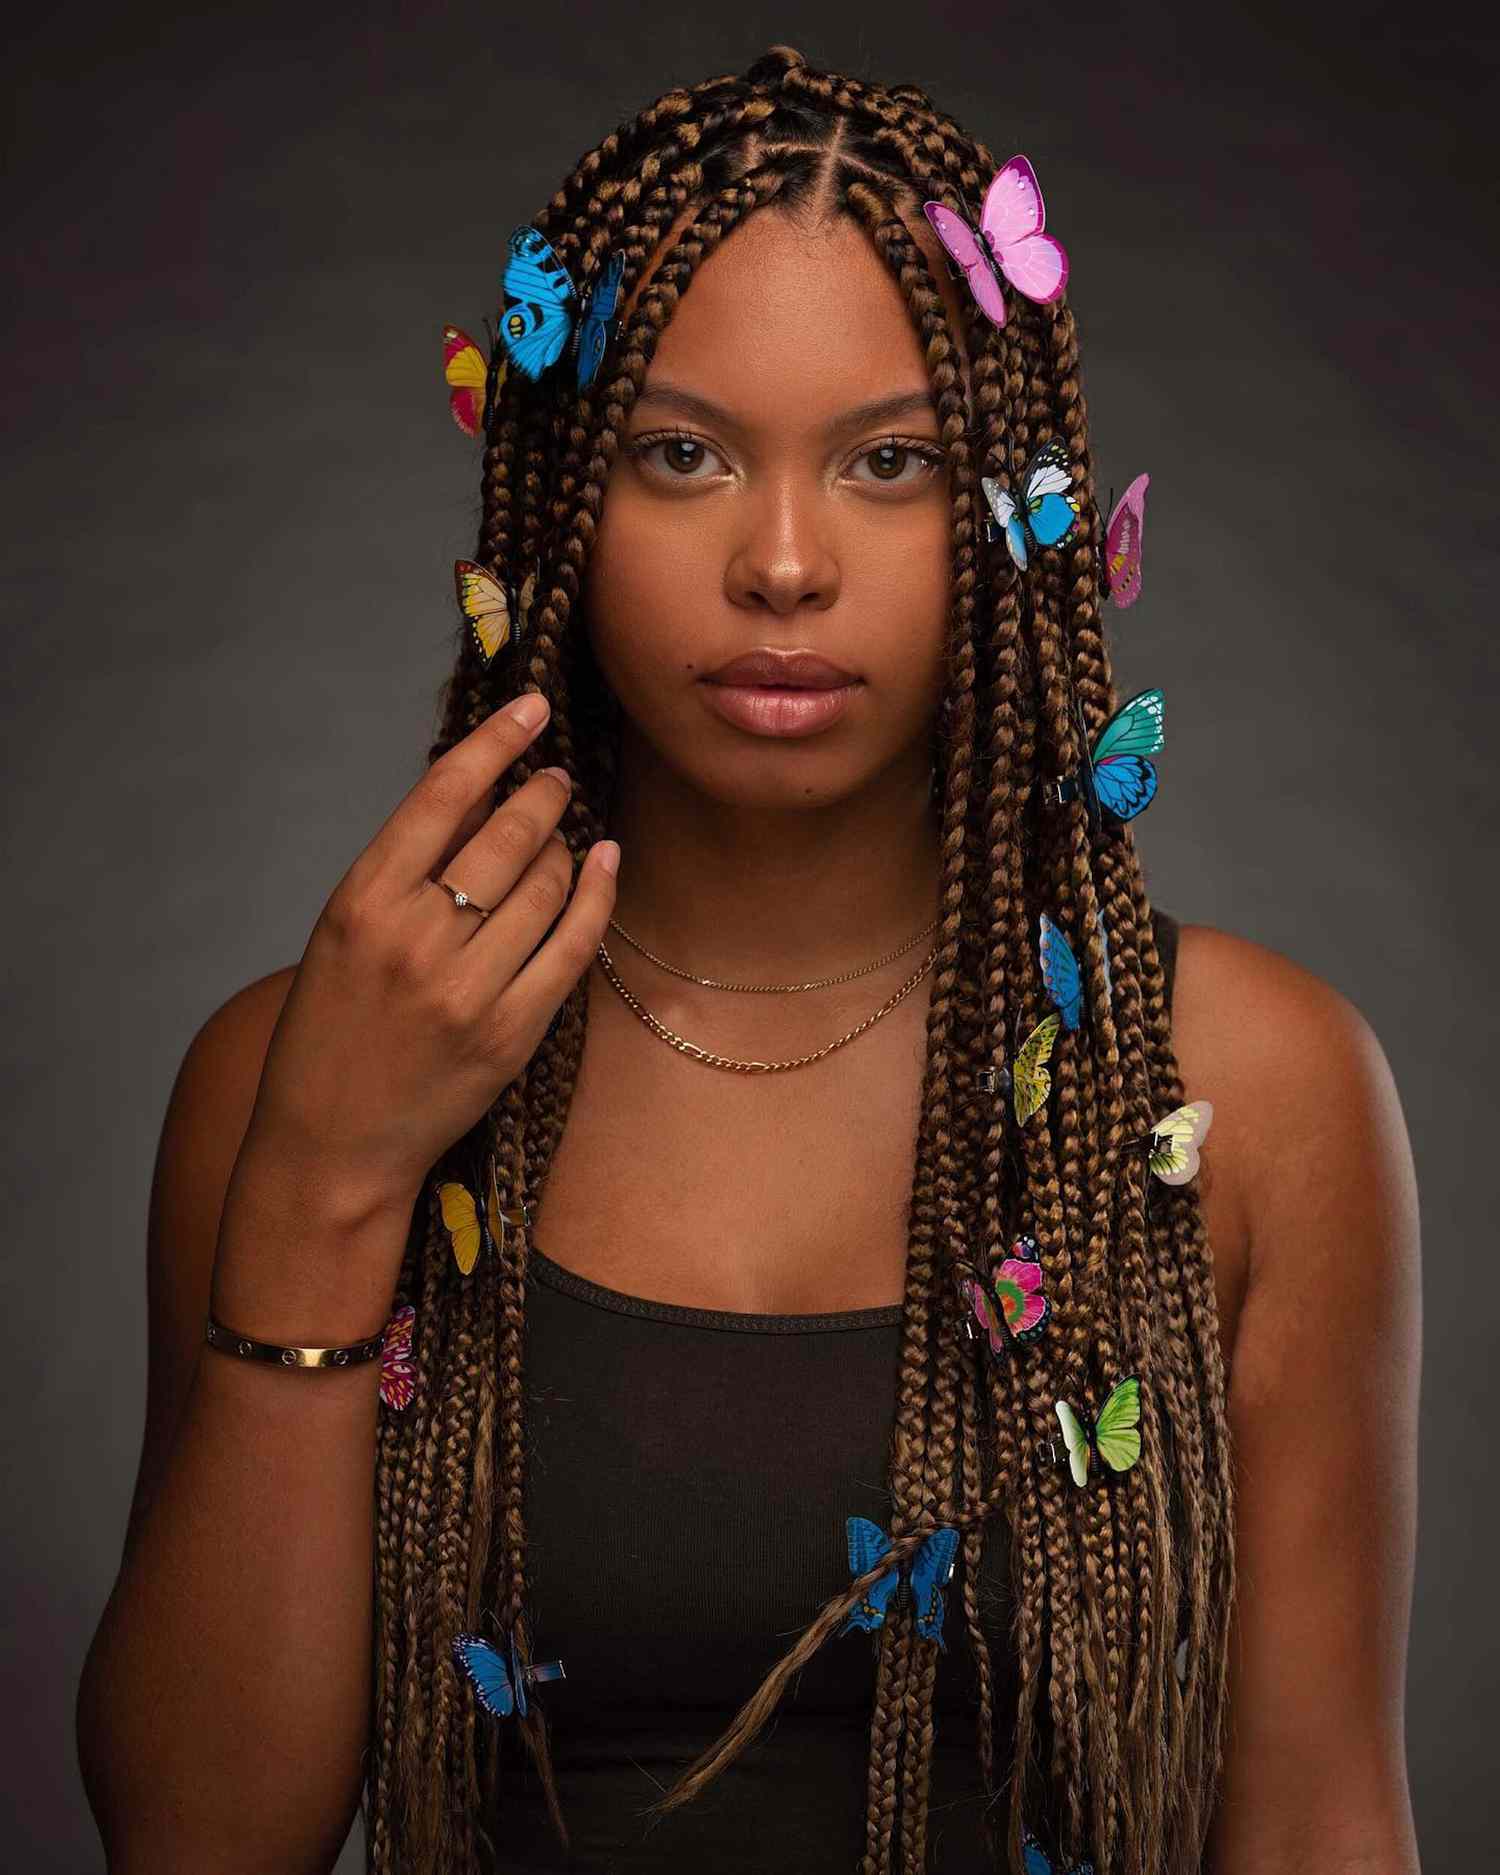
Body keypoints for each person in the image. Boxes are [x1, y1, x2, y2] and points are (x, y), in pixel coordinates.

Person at [75, 44, 1422, 1875]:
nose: (781, 563)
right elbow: (196, 1842)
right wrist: (323, 1175)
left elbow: (1322, 1821)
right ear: (561, 491)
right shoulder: (293, 1073)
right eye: (683, 452)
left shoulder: (1250, 1094)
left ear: (1010, 515)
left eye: (889, 463)